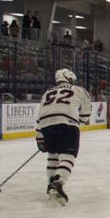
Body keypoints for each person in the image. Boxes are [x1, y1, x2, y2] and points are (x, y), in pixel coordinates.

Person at [35, 68, 91, 205]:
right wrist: (81, 122)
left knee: (53, 155)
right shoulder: (79, 90)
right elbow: (85, 115)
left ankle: (50, 185)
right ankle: (58, 183)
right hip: (67, 124)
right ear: (69, 78)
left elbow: (40, 116)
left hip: (46, 125)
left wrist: (40, 138)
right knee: (68, 155)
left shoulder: (47, 92)